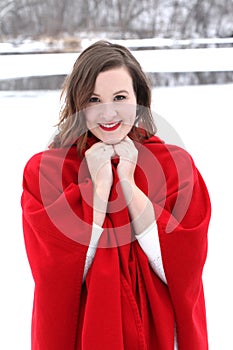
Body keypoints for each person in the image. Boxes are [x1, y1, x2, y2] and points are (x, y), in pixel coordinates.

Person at [21, 40, 211, 350]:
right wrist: (96, 190)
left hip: (160, 334)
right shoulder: (45, 172)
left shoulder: (175, 166)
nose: (108, 112)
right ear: (78, 103)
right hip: (86, 333)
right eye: (94, 99)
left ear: (139, 98)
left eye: (120, 97)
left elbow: (182, 268)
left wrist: (127, 182)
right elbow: (55, 278)